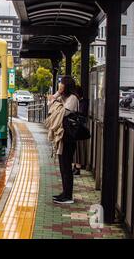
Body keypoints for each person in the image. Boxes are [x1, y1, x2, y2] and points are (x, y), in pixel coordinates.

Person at [48, 76, 79, 205]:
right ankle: (65, 193)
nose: (59, 86)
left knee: (66, 167)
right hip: (62, 137)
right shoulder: (63, 98)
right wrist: (57, 95)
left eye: (61, 84)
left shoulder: (72, 99)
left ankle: (68, 195)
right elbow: (50, 104)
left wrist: (56, 99)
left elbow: (62, 113)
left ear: (67, 85)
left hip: (68, 137)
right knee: (62, 167)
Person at [73, 85, 89, 176]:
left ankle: (78, 167)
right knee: (76, 148)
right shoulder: (80, 102)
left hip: (80, 128)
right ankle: (75, 166)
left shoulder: (83, 102)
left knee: (79, 148)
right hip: (77, 127)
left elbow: (82, 113)